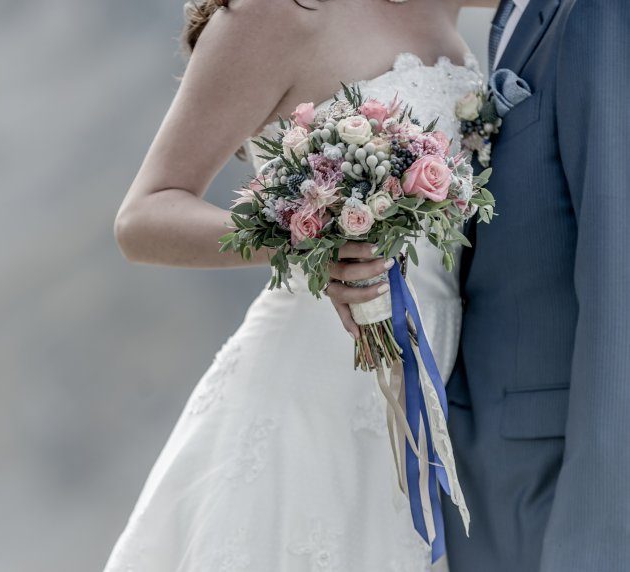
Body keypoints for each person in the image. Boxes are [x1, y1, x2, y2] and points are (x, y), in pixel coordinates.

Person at [107, 0, 494, 569]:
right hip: (312, 385)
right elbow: (142, 219)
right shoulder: (275, 14)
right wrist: (310, 239)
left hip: (441, 377)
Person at [442, 1, 630, 570]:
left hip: (557, 487)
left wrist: (595, 543)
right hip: (483, 464)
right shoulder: (515, 12)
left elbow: (615, 272)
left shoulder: (600, 12)